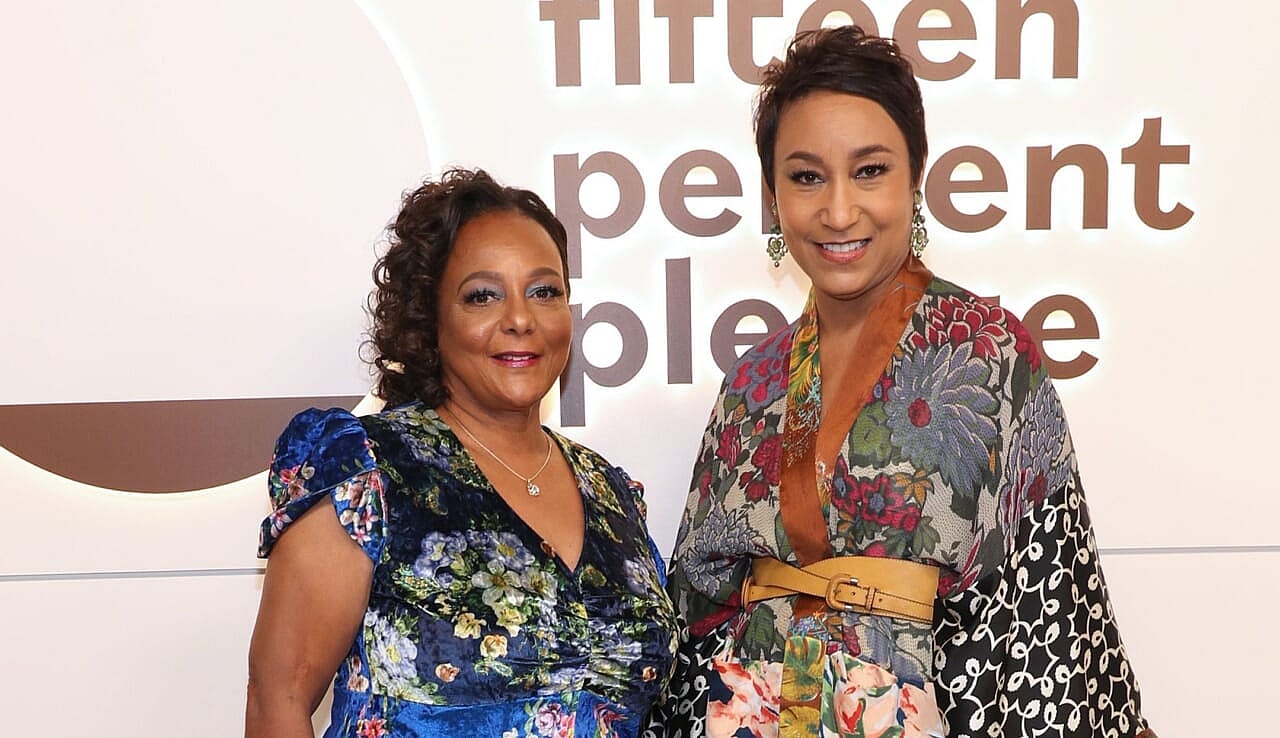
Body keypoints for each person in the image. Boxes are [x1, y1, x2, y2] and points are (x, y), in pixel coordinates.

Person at [646, 27, 1154, 738]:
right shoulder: (750, 381)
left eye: (870, 171)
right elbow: (699, 605)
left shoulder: (991, 353)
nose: (838, 211)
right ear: (772, 196)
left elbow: (1047, 601)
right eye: (806, 177)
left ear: (915, 179)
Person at [245, 168, 678, 737]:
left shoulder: (611, 493)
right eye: (483, 296)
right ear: (432, 319)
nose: (520, 319)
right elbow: (278, 699)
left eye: (544, 292)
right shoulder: (367, 472)